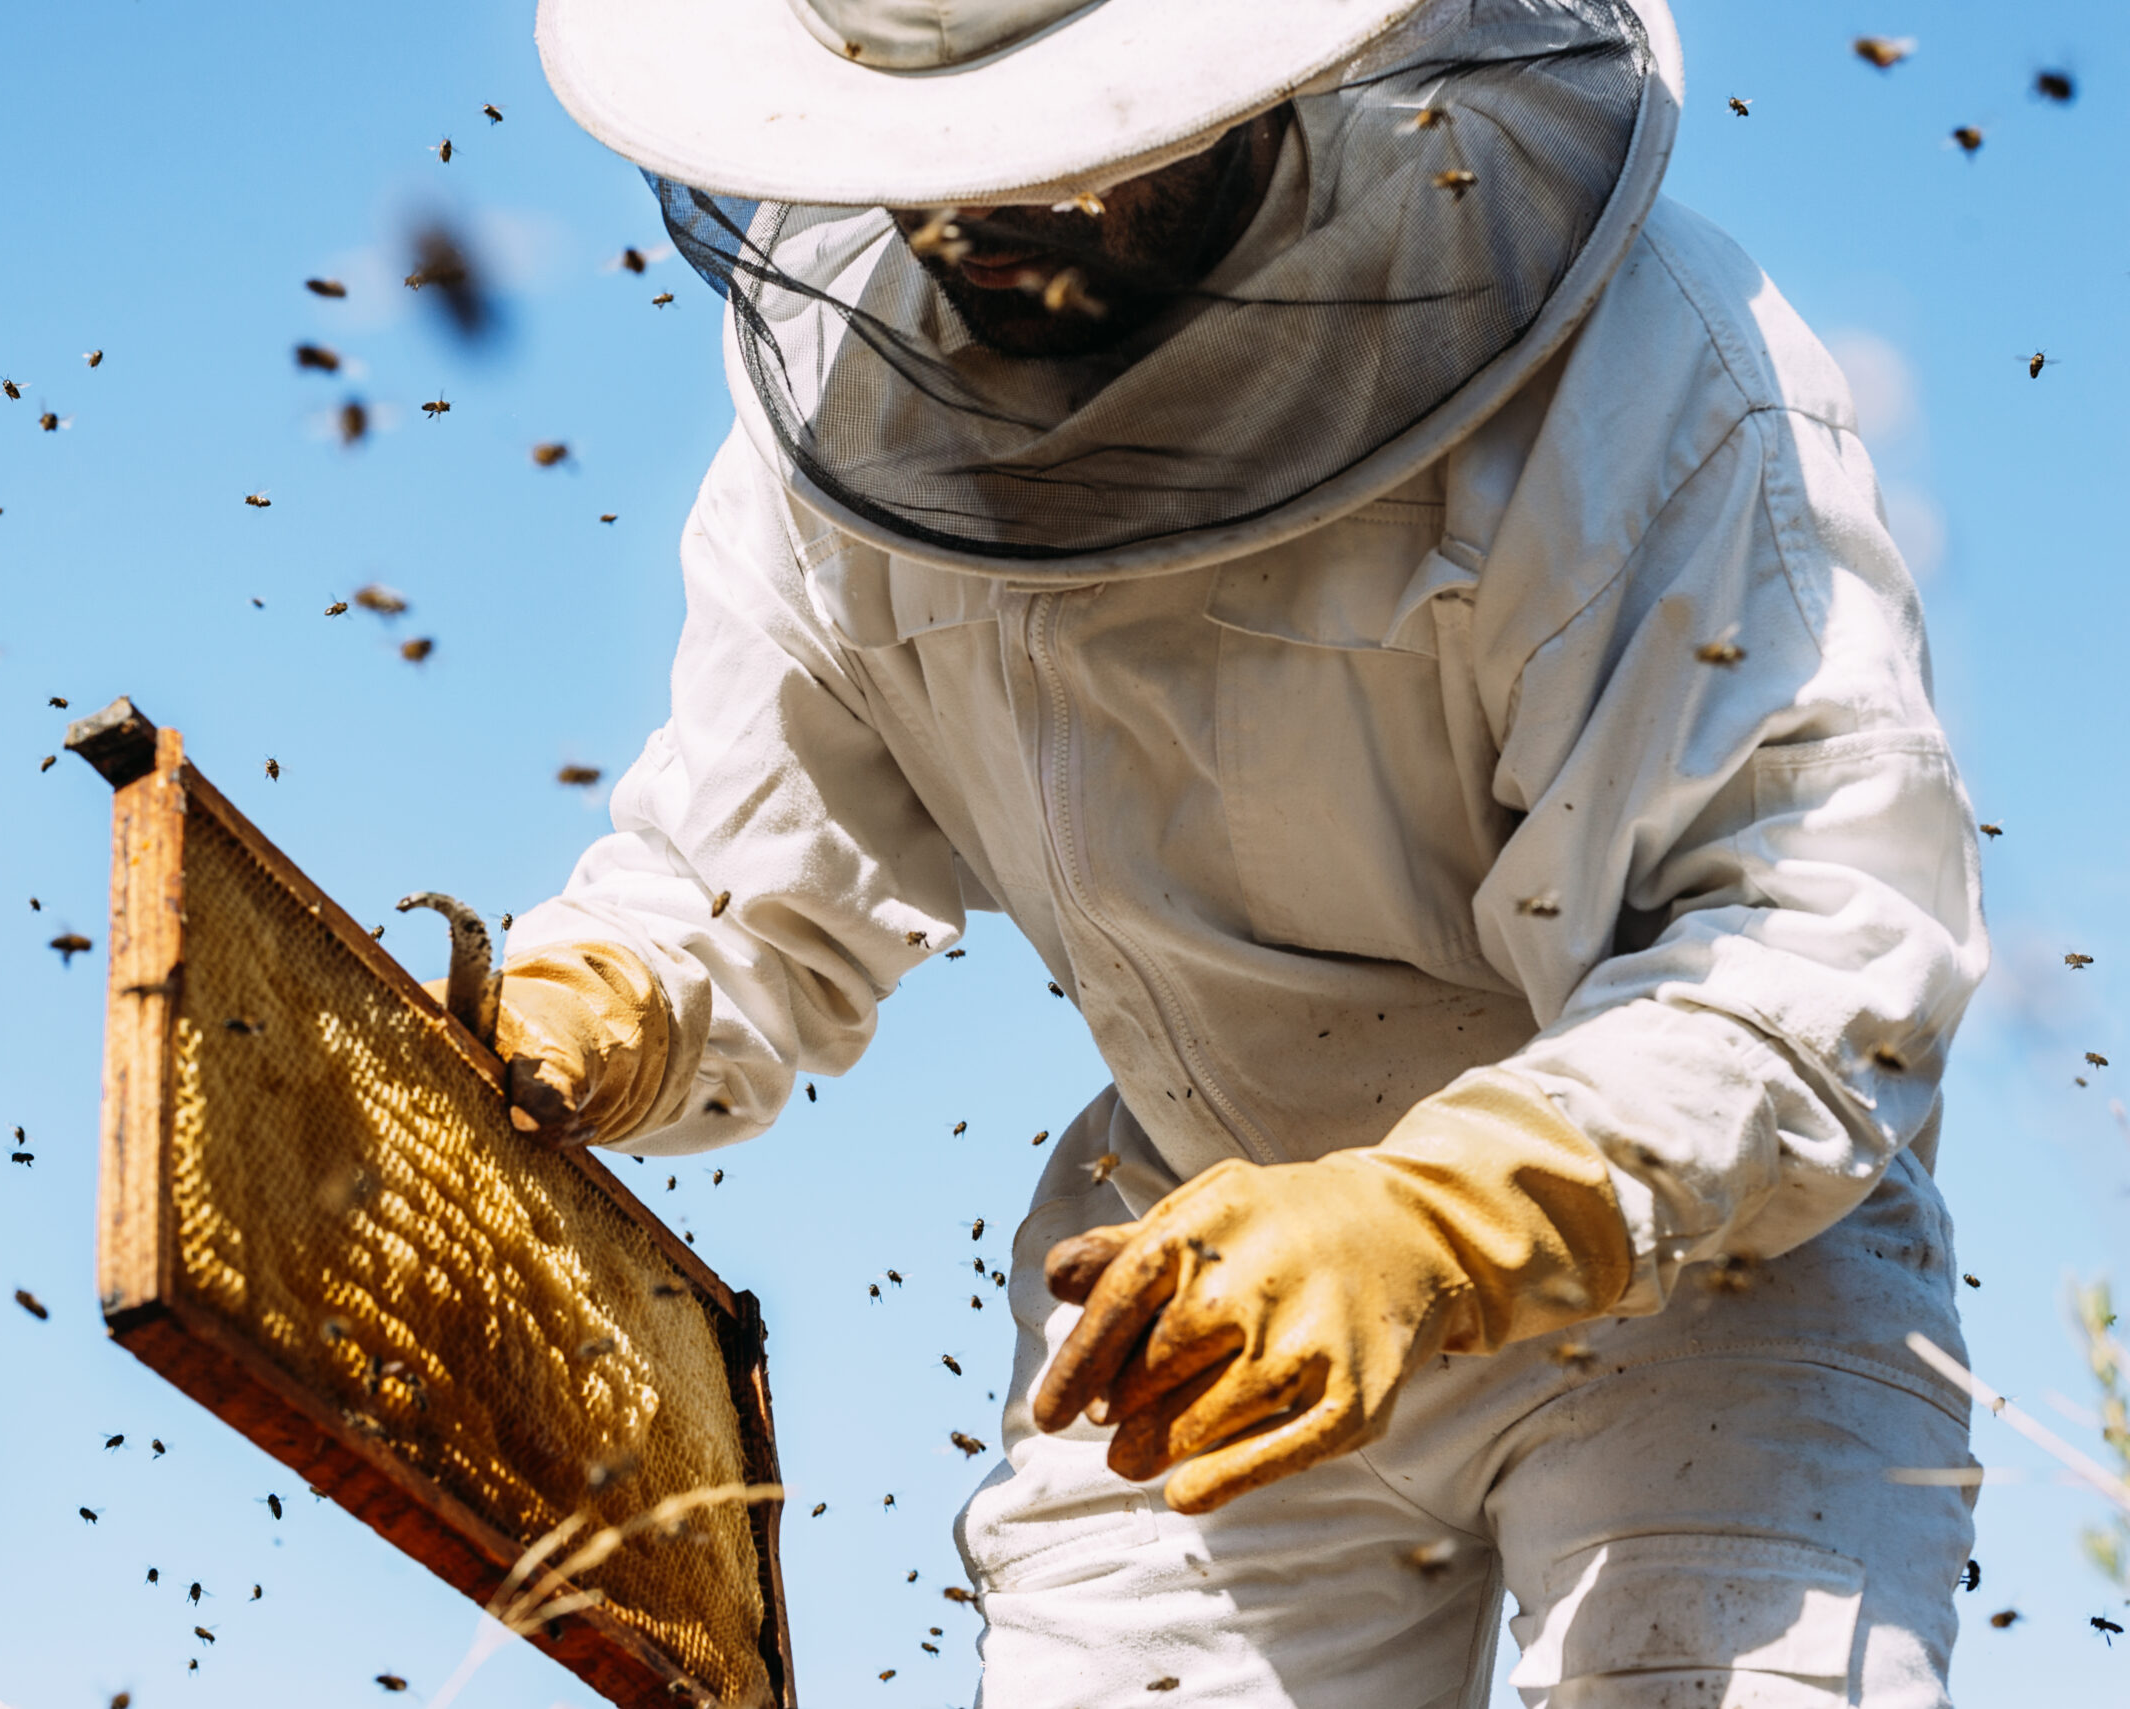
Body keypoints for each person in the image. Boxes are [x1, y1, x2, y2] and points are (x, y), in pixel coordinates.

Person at [494, 0, 1989, 1702]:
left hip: (1699, 1263)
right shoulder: (847, 420)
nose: (980, 216)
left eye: (1054, 152)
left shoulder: (1643, 369)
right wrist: (602, 1003)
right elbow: (747, 881)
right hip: (1197, 1272)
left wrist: (1437, 1217)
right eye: (929, 152)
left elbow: (1816, 926)